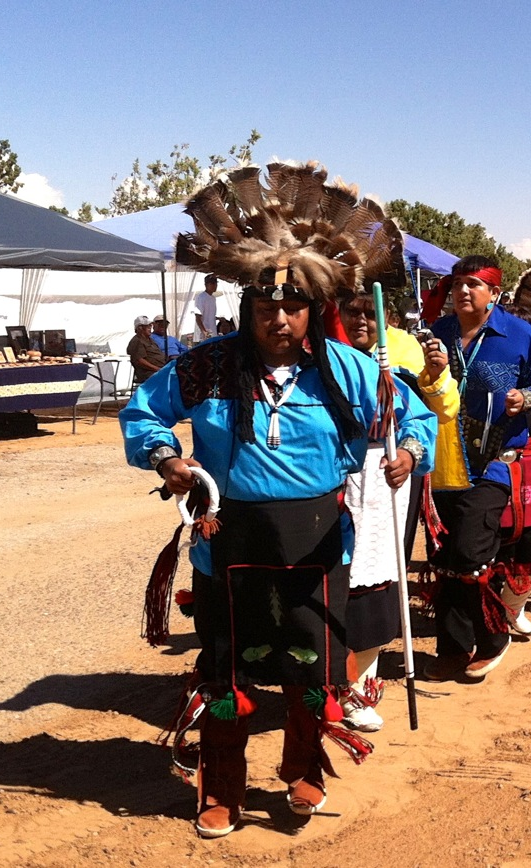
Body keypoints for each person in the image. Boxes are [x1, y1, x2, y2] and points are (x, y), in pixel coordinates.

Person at [121, 162, 436, 839]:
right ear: (248, 309)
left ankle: (304, 770)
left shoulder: (347, 368)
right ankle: (222, 789)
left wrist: (409, 453)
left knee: (310, 673)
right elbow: (143, 412)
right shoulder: (208, 366)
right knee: (225, 675)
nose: (280, 319)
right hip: (227, 543)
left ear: (312, 310)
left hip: (317, 543)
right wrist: (166, 457)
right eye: (267, 308)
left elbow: (414, 417)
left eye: (292, 308)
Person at [425, 255, 531, 681]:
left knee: (469, 552)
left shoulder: (520, 334)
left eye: (473, 285)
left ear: (494, 293)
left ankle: (494, 637)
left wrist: (524, 399)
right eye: (457, 284)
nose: (462, 291)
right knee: (443, 555)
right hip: (443, 461)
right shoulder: (437, 333)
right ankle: (453, 647)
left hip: (492, 465)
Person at [335, 291, 451, 732]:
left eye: (371, 312)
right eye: (352, 311)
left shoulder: (397, 364)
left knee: (374, 591)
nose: (362, 320)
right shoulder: (313, 361)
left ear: (389, 319)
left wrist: (409, 452)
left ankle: (357, 689)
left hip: (381, 488)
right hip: (323, 487)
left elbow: (423, 418)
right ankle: (316, 688)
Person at [126, 315, 167, 384]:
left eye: (150, 326)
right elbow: (140, 361)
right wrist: (158, 369)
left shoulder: (150, 340)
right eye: (148, 326)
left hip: (161, 369)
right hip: (149, 372)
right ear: (140, 328)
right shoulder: (137, 341)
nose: (150, 328)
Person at [194, 274, 220, 341]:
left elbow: (209, 315)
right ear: (206, 285)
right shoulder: (201, 297)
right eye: (212, 283)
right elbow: (198, 317)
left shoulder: (213, 298)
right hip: (204, 335)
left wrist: (218, 318)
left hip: (212, 333)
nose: (215, 285)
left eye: (216, 283)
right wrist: (204, 331)